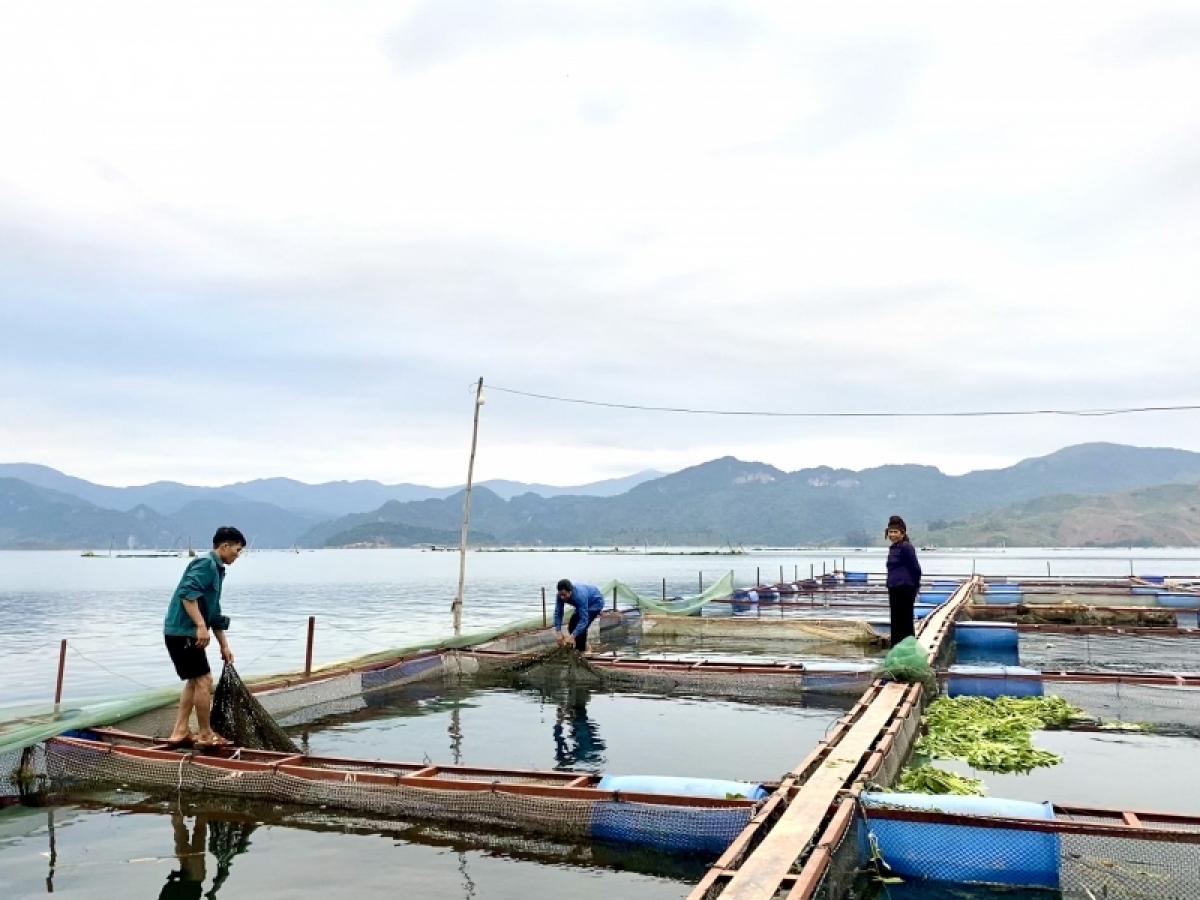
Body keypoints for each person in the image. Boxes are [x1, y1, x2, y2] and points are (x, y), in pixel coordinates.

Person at [163, 526, 244, 748]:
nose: (238, 555)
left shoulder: (217, 570)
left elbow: (214, 612)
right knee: (204, 680)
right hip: (182, 632)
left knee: (194, 680)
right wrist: (200, 626)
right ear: (224, 546)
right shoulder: (206, 564)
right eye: (237, 550)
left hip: (186, 633)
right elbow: (187, 595)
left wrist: (224, 646)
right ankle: (205, 734)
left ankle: (179, 732)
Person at [885, 515, 922, 647]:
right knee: (895, 620)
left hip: (905, 587)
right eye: (890, 532)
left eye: (896, 532)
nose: (893, 535)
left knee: (905, 619)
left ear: (902, 533)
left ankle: (908, 647)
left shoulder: (906, 547)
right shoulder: (893, 548)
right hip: (893, 587)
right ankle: (896, 647)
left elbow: (916, 569)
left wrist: (916, 586)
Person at [553, 578, 606, 652]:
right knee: (571, 626)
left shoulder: (579, 597)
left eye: (564, 595)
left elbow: (584, 620)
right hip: (583, 602)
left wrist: (572, 636)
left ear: (570, 592)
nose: (562, 597)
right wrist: (558, 631)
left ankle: (582, 651)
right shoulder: (560, 596)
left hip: (595, 603)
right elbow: (558, 612)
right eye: (560, 594)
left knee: (581, 629)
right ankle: (584, 645)